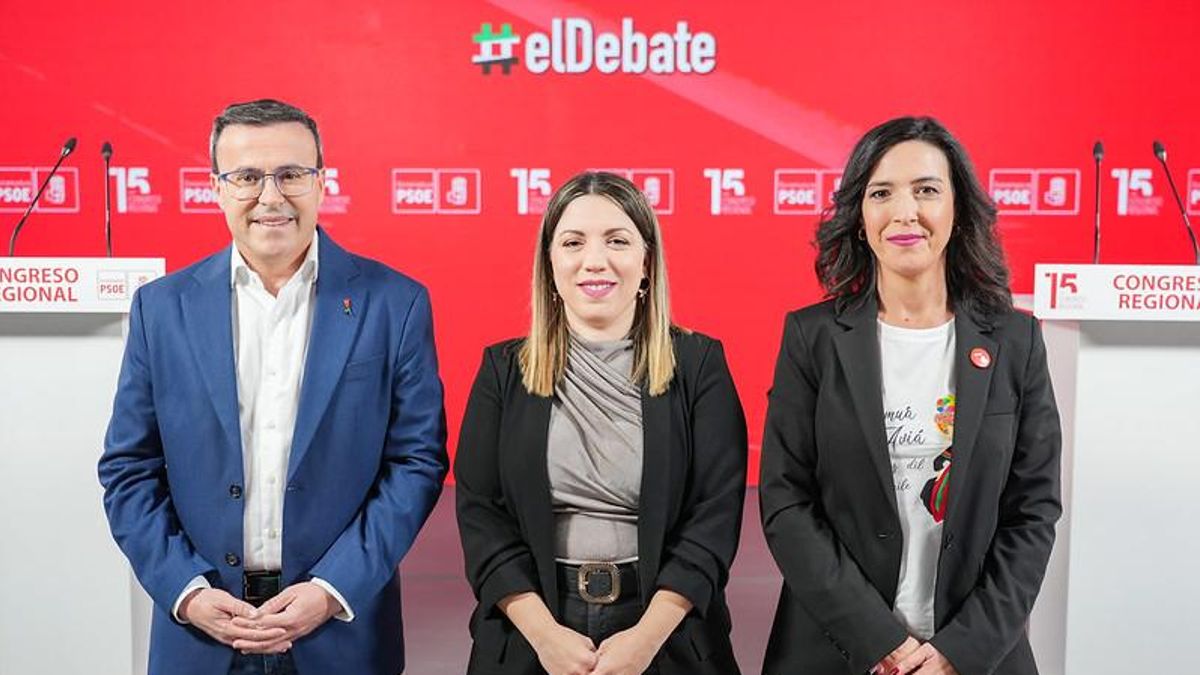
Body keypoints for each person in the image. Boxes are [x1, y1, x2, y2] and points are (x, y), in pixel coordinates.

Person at [98, 99, 448, 675]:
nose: (270, 196)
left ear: (321, 182)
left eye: (291, 174)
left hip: (341, 635)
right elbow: (128, 468)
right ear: (216, 188)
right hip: (203, 636)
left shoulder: (396, 303)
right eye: (247, 177)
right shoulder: (161, 309)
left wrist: (334, 588)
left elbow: (416, 462)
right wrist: (187, 591)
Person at [759, 117, 1062, 675]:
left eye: (926, 190)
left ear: (957, 209)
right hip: (835, 651)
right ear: (859, 216)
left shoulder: (1016, 340)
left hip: (977, 657)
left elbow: (1033, 511)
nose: (905, 213)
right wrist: (880, 642)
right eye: (881, 193)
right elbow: (785, 503)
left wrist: (959, 651)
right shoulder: (813, 338)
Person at [455, 171, 747, 675]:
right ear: (550, 263)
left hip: (667, 634)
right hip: (533, 631)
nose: (595, 260)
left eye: (617, 240)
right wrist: (546, 638)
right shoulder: (503, 370)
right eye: (573, 242)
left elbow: (714, 519)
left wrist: (644, 639)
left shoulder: (699, 364)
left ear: (646, 260)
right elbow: (482, 516)